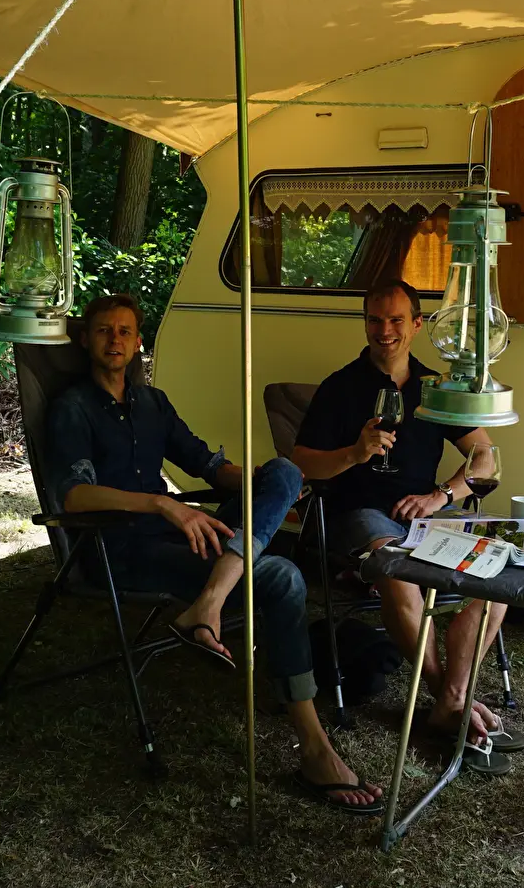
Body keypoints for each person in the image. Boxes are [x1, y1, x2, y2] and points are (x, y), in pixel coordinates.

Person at [45, 293, 382, 813]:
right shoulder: (72, 408)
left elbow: (208, 467)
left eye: (125, 331)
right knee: (282, 577)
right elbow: (75, 497)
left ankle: (209, 603)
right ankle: (315, 747)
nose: (115, 339)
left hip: (181, 538)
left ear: (138, 343)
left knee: (285, 470)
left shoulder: (152, 404)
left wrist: (265, 484)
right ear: (86, 339)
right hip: (119, 548)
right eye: (104, 330)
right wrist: (163, 504)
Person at [291, 280, 524, 768]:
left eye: (396, 320)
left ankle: (451, 704)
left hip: (427, 518)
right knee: (398, 575)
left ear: (418, 325)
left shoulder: (436, 388)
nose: (385, 331)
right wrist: (354, 454)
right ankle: (452, 700)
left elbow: (485, 458)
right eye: (375, 320)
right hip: (359, 515)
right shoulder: (340, 388)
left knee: (500, 576)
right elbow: (300, 463)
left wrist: (440, 495)